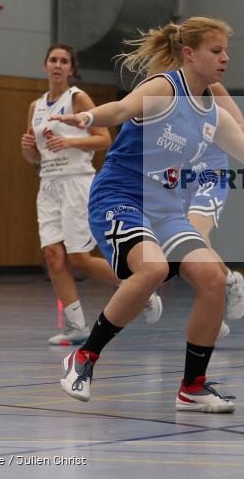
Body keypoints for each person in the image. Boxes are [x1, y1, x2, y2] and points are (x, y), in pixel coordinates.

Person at [51, 17, 244, 413]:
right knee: (151, 270)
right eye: (216, 50)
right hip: (121, 196)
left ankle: (193, 386)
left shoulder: (213, 115)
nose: (225, 58)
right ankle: (83, 358)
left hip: (167, 208)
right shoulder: (165, 88)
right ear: (189, 54)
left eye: (226, 51)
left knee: (213, 278)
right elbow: (120, 109)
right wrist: (87, 118)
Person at [21, 44, 163, 346]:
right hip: (48, 185)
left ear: (72, 69)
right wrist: (27, 150)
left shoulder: (77, 98)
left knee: (79, 259)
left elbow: (103, 139)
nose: (57, 65)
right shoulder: (36, 107)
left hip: (77, 182)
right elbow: (36, 156)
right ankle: (76, 326)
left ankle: (139, 287)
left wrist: (70, 144)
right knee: (53, 257)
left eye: (64, 61)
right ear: (44, 65)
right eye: (53, 60)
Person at [184, 82, 244, 340]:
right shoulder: (164, 86)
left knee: (194, 233)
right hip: (180, 176)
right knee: (180, 249)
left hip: (211, 173)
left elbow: (241, 128)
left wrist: (206, 132)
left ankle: (226, 290)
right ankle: (222, 294)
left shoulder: (213, 88)